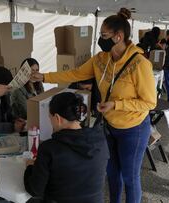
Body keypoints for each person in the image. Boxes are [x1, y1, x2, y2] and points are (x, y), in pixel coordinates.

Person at [31, 8, 157, 203]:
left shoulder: (140, 64)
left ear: (118, 37)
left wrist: (116, 105)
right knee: (112, 174)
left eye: (104, 35)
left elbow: (149, 102)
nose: (100, 39)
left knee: (130, 177)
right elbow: (75, 74)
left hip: (134, 128)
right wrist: (45, 76)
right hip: (109, 125)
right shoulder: (100, 59)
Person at [24, 92, 109, 203]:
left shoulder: (49, 148)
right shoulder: (100, 140)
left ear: (57, 118)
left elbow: (35, 190)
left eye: (50, 117)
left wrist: (29, 167)